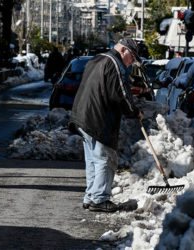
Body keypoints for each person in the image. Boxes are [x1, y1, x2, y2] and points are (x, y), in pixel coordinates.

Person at [69, 38, 143, 213]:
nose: (131, 62)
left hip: (82, 116)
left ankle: (91, 196)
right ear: (124, 50)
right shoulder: (116, 64)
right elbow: (122, 95)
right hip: (99, 118)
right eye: (132, 58)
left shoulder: (97, 59)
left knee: (93, 160)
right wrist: (134, 111)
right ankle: (100, 198)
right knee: (106, 159)